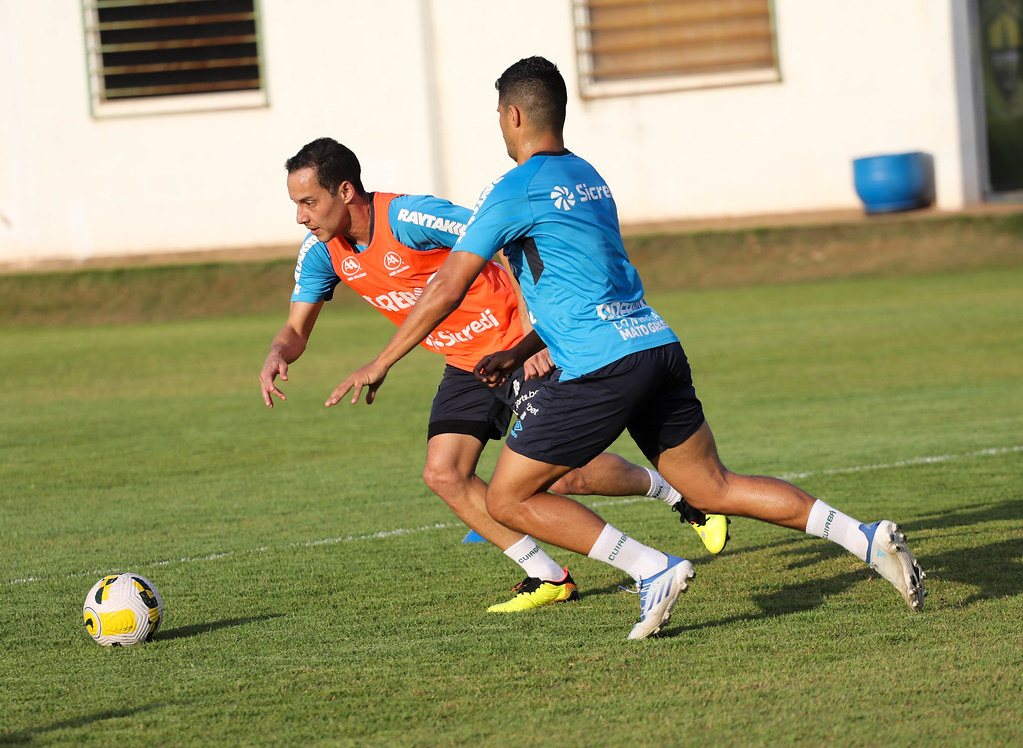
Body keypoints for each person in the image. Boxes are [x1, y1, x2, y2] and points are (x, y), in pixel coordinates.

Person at [331, 56, 926, 639]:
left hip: (601, 365)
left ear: (512, 115)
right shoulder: (589, 178)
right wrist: (519, 351)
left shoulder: (514, 189)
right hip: (654, 344)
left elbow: (447, 283)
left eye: (497, 113)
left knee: (510, 497)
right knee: (712, 487)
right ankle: (864, 538)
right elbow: (589, 285)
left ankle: (653, 568)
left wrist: (381, 361)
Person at [259, 137, 730, 614]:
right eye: (296, 205)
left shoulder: (409, 217)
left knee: (563, 479)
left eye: (308, 202)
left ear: (344, 191)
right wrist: (279, 353)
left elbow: (504, 235)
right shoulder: (322, 251)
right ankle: (547, 575)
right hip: (465, 364)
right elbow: (296, 328)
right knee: (444, 473)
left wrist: (531, 332)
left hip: (515, 348)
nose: (301, 216)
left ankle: (681, 496)